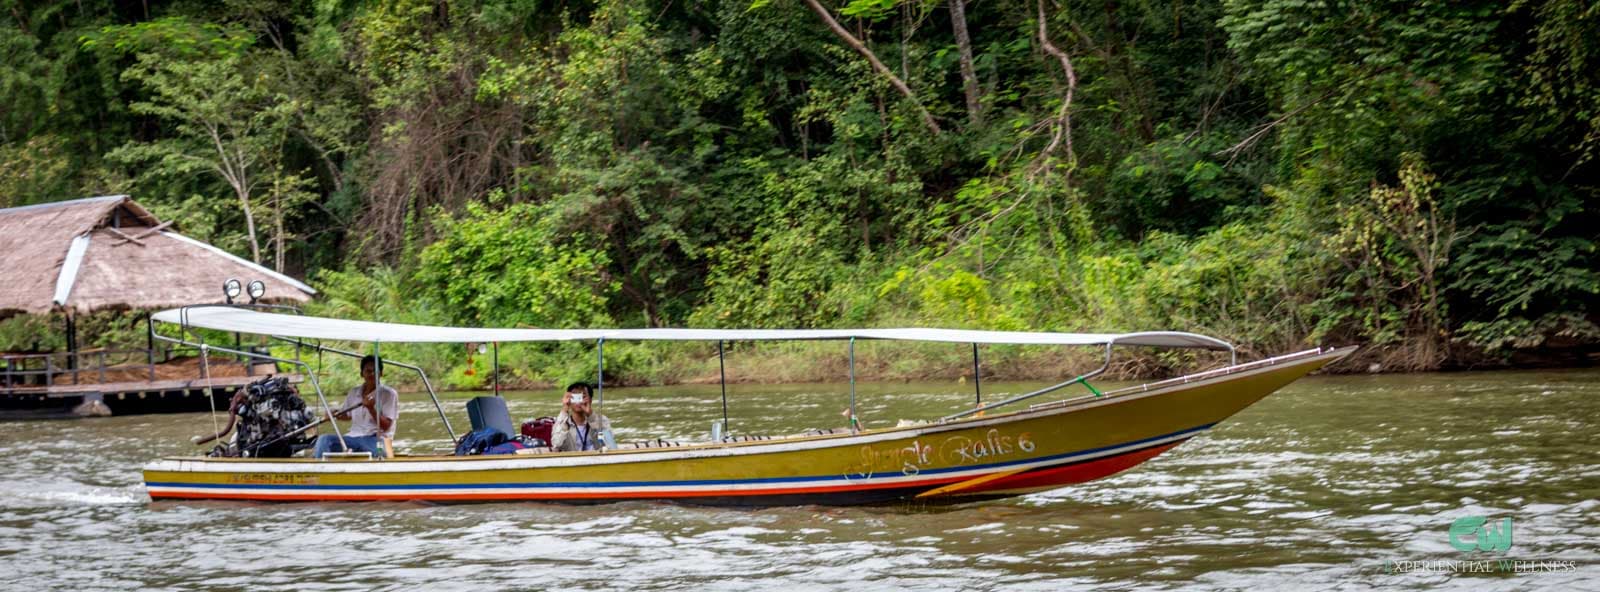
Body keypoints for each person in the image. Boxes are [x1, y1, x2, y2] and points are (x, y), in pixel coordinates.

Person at [311, 355, 399, 459]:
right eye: (368, 371)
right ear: (362, 374)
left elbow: (386, 426)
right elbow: (347, 415)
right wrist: (335, 414)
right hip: (352, 437)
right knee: (324, 440)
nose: (372, 374)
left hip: (376, 440)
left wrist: (371, 409)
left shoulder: (389, 394)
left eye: (375, 371)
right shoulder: (354, 392)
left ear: (381, 373)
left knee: (380, 453)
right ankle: (321, 470)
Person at [551, 382, 611, 452]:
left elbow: (609, 443)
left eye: (583, 397)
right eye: (575, 397)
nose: (579, 401)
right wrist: (564, 410)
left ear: (590, 400)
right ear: (569, 400)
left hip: (596, 459)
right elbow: (556, 444)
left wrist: (591, 415)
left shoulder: (602, 420)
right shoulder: (562, 422)